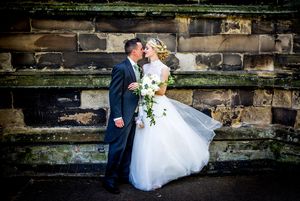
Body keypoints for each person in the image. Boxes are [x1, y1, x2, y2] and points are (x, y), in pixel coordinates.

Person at [128, 38, 222, 191]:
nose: (144, 50)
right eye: (144, 48)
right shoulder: (144, 67)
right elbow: (141, 92)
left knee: (159, 141)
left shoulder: (164, 69)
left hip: (159, 107)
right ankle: (149, 175)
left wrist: (143, 85)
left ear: (156, 50)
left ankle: (161, 175)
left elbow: (162, 91)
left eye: (147, 48)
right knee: (145, 142)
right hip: (146, 107)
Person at [103, 38, 144, 194]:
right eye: (141, 49)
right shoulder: (120, 68)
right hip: (122, 117)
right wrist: (117, 117)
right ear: (134, 51)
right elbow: (114, 94)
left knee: (129, 148)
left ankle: (123, 176)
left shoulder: (139, 69)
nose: (143, 51)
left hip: (135, 116)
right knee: (117, 148)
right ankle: (109, 181)